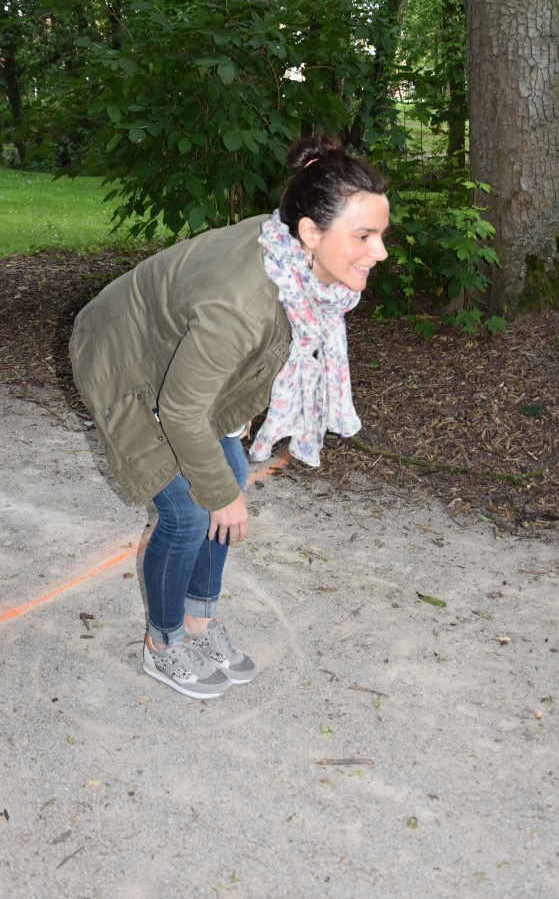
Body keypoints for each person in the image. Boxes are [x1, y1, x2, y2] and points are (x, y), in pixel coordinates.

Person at [69, 134, 389, 699]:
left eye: (380, 234)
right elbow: (182, 407)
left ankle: (199, 624)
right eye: (363, 236)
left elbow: (237, 367)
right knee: (192, 514)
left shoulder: (292, 258)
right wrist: (218, 494)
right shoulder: (244, 303)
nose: (379, 251)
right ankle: (163, 644)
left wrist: (227, 469)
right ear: (311, 232)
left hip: (180, 355)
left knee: (231, 478)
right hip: (125, 360)